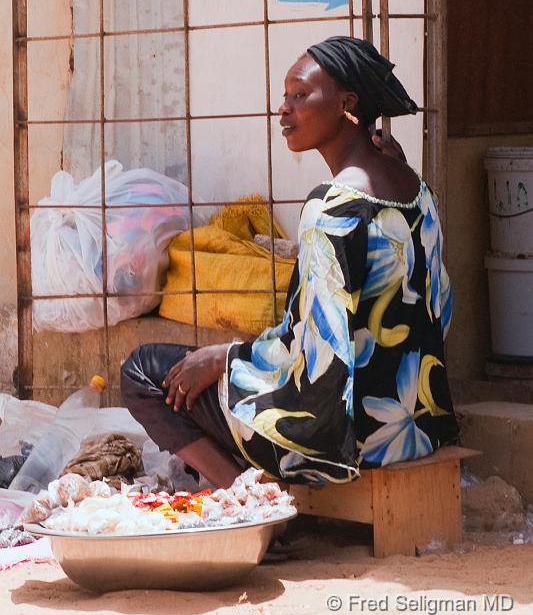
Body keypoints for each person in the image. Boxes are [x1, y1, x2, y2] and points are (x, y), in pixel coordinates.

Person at [121, 36, 459, 488]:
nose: (284, 109)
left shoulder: (332, 209)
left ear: (346, 103)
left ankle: (253, 502)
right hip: (415, 428)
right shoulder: (419, 192)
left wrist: (227, 356)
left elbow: (319, 356)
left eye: (300, 95)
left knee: (143, 371)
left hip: (345, 441)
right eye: (285, 96)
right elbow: (441, 310)